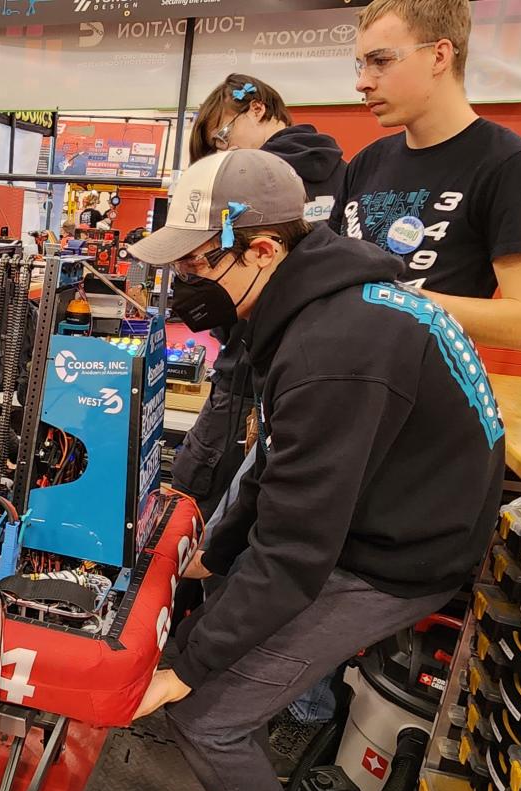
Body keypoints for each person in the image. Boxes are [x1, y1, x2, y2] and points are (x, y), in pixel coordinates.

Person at [127, 148, 503, 791]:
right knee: (227, 630)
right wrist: (218, 552)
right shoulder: (315, 305)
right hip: (374, 517)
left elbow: (297, 552)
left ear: (263, 248)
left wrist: (182, 668)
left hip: (399, 559)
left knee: (206, 717)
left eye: (200, 262)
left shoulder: (338, 346)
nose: (187, 282)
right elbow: (279, 460)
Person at [335, 0, 521, 358]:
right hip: (340, 381)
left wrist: (394, 299)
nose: (362, 82)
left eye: (381, 61)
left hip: (424, 393)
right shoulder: (366, 161)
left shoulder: (509, 163)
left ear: (439, 56)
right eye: (360, 65)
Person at [178, 74, 347, 521]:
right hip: (295, 376)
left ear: (256, 109)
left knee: (195, 510)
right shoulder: (345, 176)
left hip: (246, 372)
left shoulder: (252, 183)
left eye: (221, 136)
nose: (223, 153)